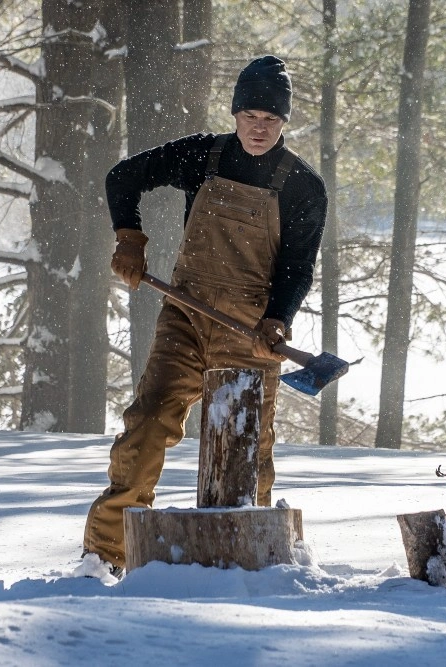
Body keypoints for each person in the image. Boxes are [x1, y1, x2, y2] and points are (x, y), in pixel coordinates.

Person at [82, 55, 327, 574]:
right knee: (147, 424)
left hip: (252, 333)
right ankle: (106, 555)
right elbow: (123, 178)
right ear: (235, 114)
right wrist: (129, 236)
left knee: (246, 452)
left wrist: (278, 320)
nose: (259, 128)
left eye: (270, 119)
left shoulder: (303, 185)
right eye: (250, 116)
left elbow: (297, 266)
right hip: (186, 320)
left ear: (284, 122)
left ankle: (253, 562)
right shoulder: (203, 154)